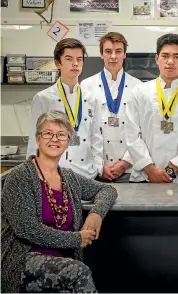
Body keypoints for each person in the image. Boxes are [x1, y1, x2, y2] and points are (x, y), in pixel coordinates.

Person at [2, 111, 118, 293]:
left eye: (61, 134)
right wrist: (76, 238)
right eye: (48, 133)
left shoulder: (69, 178)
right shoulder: (19, 177)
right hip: (23, 260)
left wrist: (96, 214)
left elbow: (107, 189)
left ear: (68, 141)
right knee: (78, 273)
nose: (54, 139)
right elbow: (27, 229)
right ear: (38, 139)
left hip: (64, 262)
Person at [125, 33, 178, 183]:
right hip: (144, 177)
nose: (170, 61)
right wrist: (150, 169)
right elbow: (132, 136)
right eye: (165, 55)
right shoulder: (139, 92)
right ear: (157, 59)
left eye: (176, 56)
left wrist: (172, 169)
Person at [26, 38, 104, 179]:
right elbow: (34, 141)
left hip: (87, 175)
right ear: (57, 63)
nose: (75, 64)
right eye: (69, 59)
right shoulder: (43, 98)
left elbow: (96, 138)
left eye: (79, 59)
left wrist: (98, 167)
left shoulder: (92, 98)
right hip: (54, 174)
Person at [81, 32, 143, 183]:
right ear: (101, 54)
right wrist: (99, 166)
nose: (113, 56)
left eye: (118, 51)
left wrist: (125, 163)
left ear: (125, 55)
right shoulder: (86, 86)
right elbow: (84, 130)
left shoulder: (138, 87)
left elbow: (143, 131)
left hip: (130, 169)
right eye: (108, 51)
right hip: (97, 170)